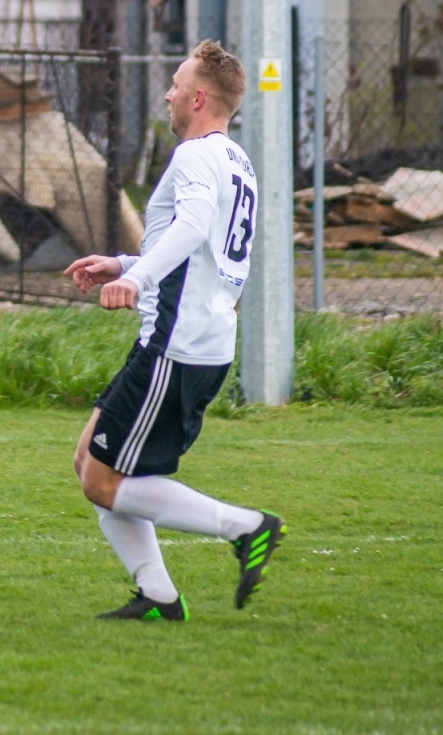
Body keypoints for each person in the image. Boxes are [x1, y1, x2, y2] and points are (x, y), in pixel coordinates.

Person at [65, 40, 284, 622]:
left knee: (101, 480)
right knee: (89, 457)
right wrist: (124, 264)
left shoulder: (194, 157)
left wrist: (137, 283)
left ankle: (246, 527)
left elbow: (188, 229)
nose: (167, 92)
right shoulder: (235, 160)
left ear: (199, 97)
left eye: (176, 82)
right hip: (195, 340)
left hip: (176, 344)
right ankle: (158, 595)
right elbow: (200, 250)